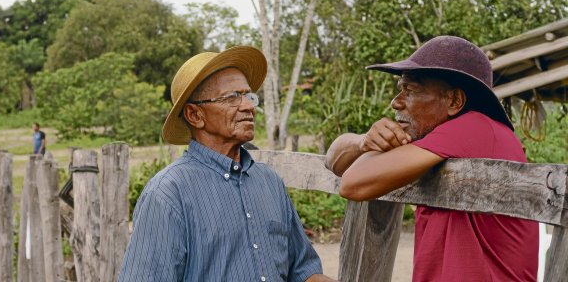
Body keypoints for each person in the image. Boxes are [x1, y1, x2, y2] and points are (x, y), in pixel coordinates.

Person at [325, 36, 539, 281]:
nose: (396, 102)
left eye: (411, 90)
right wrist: (363, 140)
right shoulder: (439, 139)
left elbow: (352, 183)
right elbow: (334, 159)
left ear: (454, 101)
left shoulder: (474, 128)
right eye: (400, 90)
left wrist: (375, 146)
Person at [118, 46, 334, 282]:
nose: (249, 106)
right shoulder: (167, 195)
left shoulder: (269, 182)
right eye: (232, 97)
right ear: (195, 115)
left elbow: (303, 272)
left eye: (249, 96)